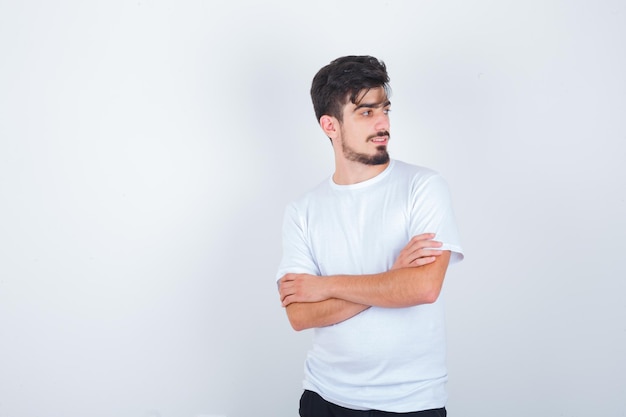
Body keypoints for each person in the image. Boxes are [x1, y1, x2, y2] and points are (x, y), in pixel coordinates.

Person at [276, 55, 464, 417]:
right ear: (330, 125)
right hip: (324, 398)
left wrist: (325, 286)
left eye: (385, 109)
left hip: (410, 403)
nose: (383, 123)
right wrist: (392, 279)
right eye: (365, 112)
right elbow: (299, 314)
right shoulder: (303, 211)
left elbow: (422, 288)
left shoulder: (423, 187)